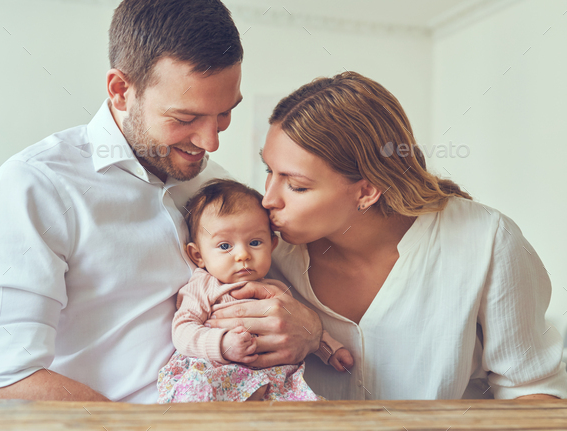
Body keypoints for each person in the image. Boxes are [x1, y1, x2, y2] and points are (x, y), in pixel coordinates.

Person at [0, 0, 323, 403]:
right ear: (121, 91)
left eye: (224, 114)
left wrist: (310, 330)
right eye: (185, 118)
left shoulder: (215, 186)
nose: (210, 142)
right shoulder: (37, 185)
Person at [204, 71, 567, 400]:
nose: (268, 198)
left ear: (366, 191)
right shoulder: (255, 251)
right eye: (269, 170)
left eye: (296, 185)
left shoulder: (488, 242)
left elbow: (532, 393)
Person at [156, 179, 353, 403]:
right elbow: (182, 330)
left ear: (272, 245)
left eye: (255, 242)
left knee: (308, 411)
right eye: (224, 246)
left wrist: (329, 350)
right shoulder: (203, 286)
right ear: (198, 256)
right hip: (216, 374)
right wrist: (221, 343)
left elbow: (302, 327)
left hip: (272, 380)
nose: (243, 255)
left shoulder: (276, 289)